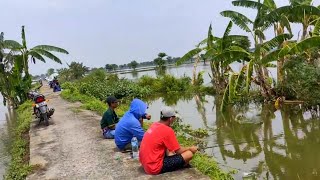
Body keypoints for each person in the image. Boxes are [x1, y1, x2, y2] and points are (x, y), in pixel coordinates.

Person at [139, 106, 198, 175]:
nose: (174, 119)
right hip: (154, 167)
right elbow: (178, 151)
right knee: (189, 154)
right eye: (174, 118)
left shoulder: (154, 124)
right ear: (170, 119)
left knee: (171, 152)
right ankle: (181, 166)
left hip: (145, 163)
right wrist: (190, 148)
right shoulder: (167, 130)